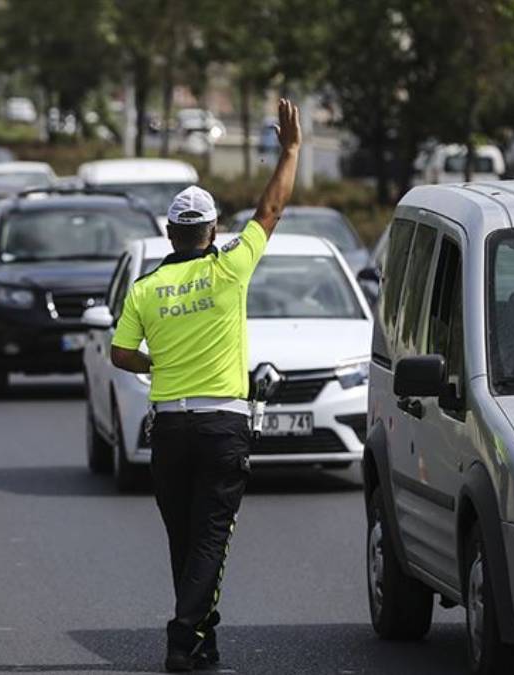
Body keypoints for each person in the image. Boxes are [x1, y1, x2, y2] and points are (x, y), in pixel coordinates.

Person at [109, 99, 302, 672]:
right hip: (223, 426)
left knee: (185, 538)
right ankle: (181, 635)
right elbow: (270, 209)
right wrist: (290, 150)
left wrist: (156, 364)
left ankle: (201, 637)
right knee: (211, 538)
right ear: (213, 230)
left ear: (170, 233)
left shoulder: (146, 288)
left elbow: (120, 353)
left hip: (168, 426)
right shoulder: (229, 268)